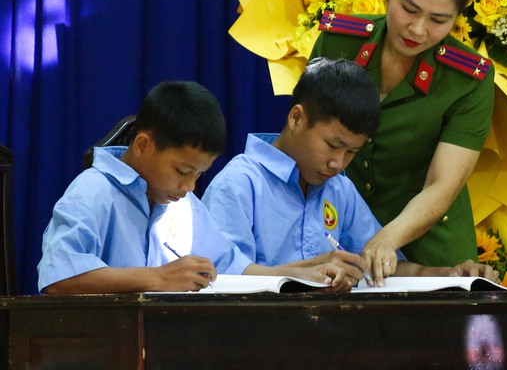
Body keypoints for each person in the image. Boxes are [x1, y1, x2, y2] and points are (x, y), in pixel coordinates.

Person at [37, 81, 355, 294]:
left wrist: (307, 275)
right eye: (182, 170)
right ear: (144, 145)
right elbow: (58, 277)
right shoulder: (94, 189)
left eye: (199, 175)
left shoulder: (183, 205)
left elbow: (233, 271)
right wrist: (157, 278)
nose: (189, 187)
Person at [201, 58, 498, 286]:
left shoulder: (338, 190)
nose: (338, 163)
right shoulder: (240, 183)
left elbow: (379, 267)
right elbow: (222, 276)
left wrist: (450, 275)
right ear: (296, 118)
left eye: (352, 153)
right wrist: (310, 271)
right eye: (333, 145)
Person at [308, 0, 495, 271]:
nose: (418, 29)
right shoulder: (338, 43)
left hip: (431, 249)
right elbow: (306, 136)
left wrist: (387, 238)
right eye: (409, 9)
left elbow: (443, 183)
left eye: (439, 20)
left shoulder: (468, 79)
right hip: (338, 233)